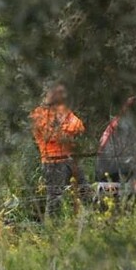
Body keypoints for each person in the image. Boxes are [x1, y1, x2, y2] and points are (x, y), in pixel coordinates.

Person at [30, 84, 90, 217]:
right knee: (55, 198)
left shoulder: (64, 111)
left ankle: (90, 222)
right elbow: (50, 136)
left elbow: (79, 126)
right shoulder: (39, 114)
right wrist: (67, 131)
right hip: (52, 161)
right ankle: (52, 229)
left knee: (85, 191)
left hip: (71, 159)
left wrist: (64, 130)